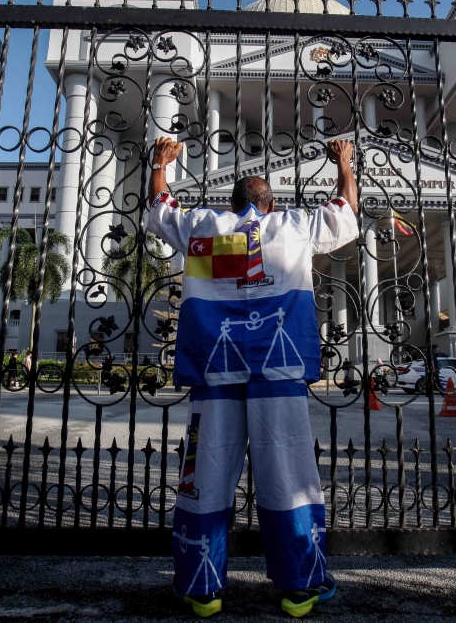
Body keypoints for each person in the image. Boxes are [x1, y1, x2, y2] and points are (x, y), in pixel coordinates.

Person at [147, 136, 358, 617]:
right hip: (277, 373)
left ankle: (202, 590)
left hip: (214, 371)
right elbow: (345, 209)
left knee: (207, 474)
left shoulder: (204, 225)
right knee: (289, 475)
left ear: (232, 203)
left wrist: (161, 164)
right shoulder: (295, 225)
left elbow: (160, 209)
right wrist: (343, 162)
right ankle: (300, 587)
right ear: (272, 203)